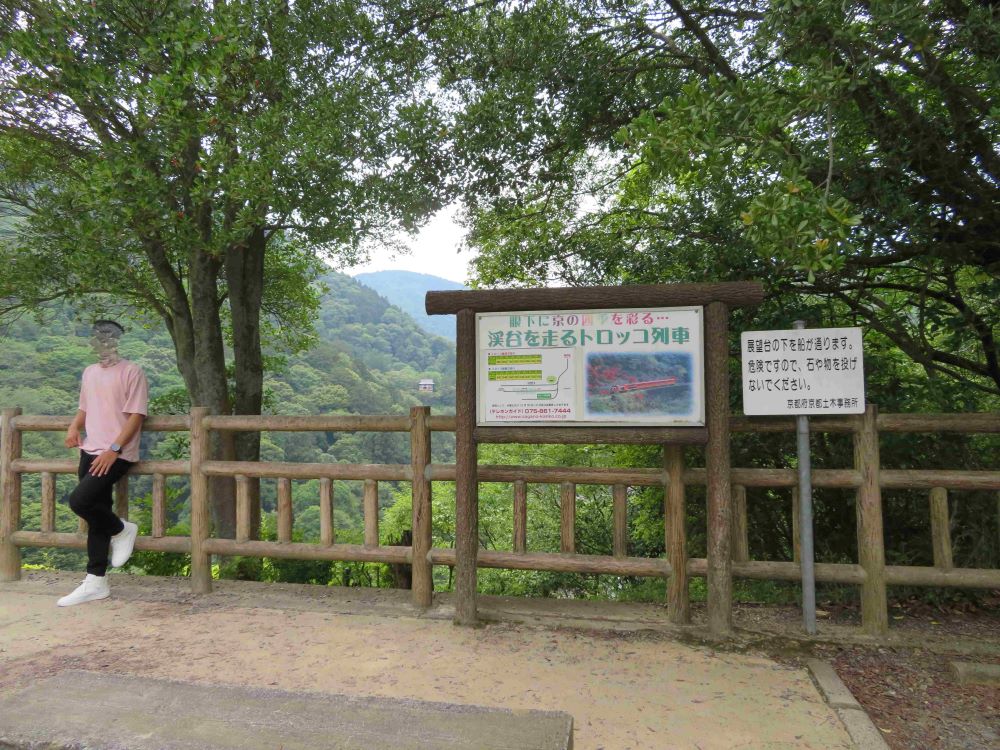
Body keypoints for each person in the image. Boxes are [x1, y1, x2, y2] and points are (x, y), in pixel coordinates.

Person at [57, 320, 148, 606]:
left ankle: (122, 530)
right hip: (89, 450)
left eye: (108, 338)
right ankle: (96, 581)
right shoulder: (89, 373)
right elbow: (84, 406)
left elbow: (136, 415)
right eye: (97, 338)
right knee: (96, 509)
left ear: (117, 341)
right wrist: (74, 427)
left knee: (80, 502)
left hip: (116, 454)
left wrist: (114, 449)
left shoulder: (132, 372)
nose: (101, 343)